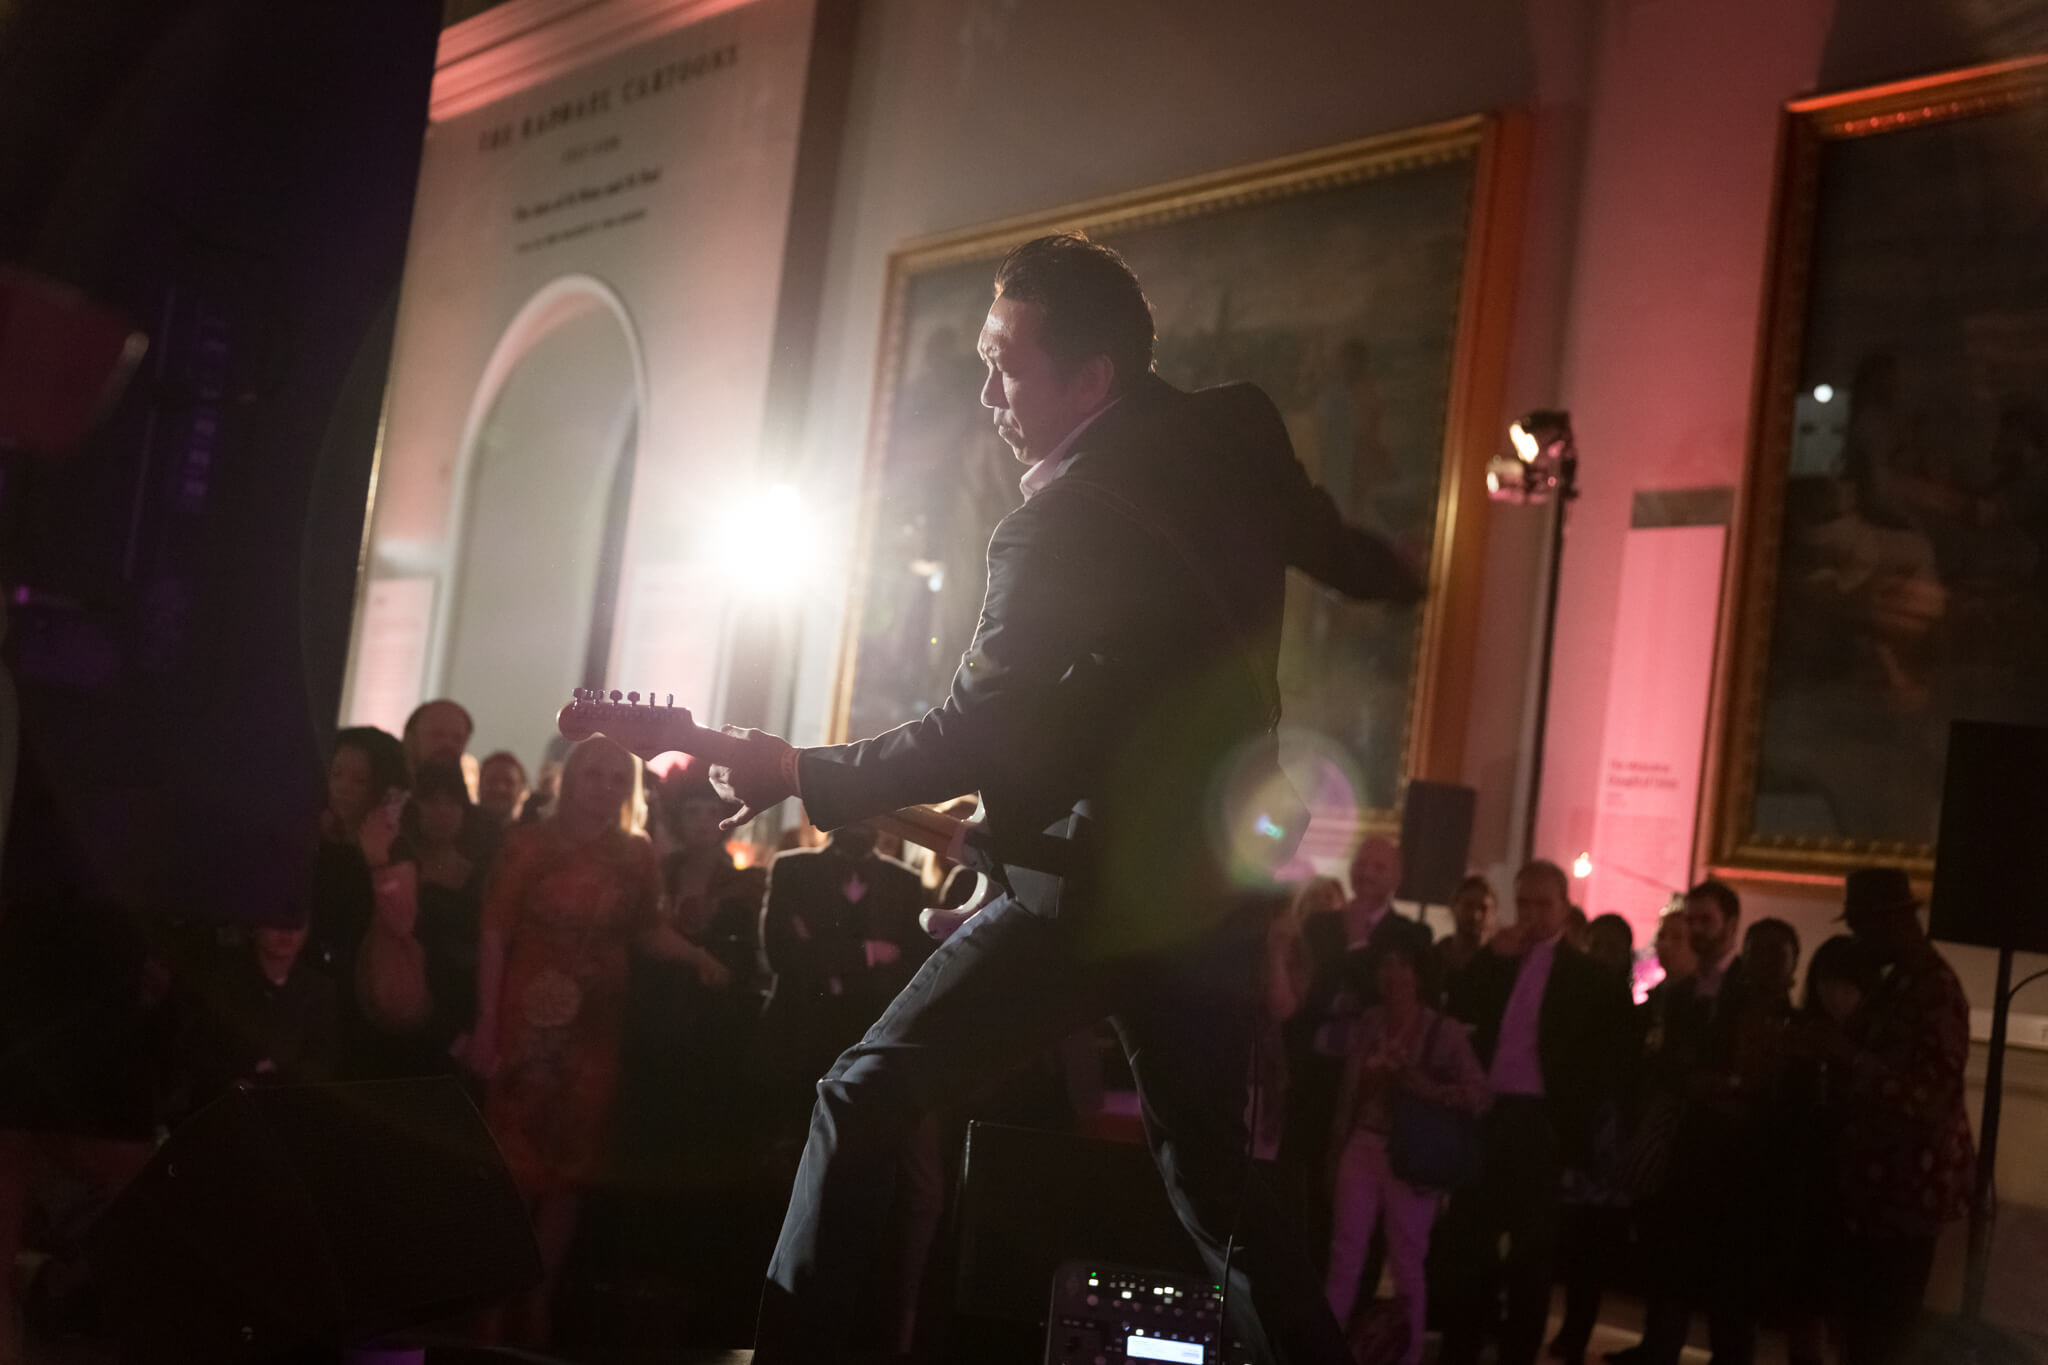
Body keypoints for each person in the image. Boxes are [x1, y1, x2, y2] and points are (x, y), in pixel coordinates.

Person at [704, 232, 1424, 1365]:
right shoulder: (1237, 427)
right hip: (1208, 892)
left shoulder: (1049, 528)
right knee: (1220, 1196)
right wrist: (1400, 574)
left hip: (1085, 898)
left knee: (865, 1094)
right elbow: (1310, 545)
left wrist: (797, 770)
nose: (988, 394)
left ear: (1091, 380)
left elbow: (979, 728)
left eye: (1006, 367)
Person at [461, 736, 730, 1347]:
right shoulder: (528, 843)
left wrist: (697, 957)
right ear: (570, 779)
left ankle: (539, 1300)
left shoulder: (635, 854)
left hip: (596, 1031)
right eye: (594, 775)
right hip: (526, 1022)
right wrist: (485, 1024)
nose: (605, 787)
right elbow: (495, 933)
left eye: (616, 778)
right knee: (511, 1169)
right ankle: (491, 1308)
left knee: (570, 1171)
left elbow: (647, 931)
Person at [1438, 859, 1630, 1365]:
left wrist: (1568, 1127)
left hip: (1541, 1120)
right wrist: (1490, 958)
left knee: (1532, 1252)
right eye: (1524, 903)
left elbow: (1604, 1063)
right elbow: (1458, 1008)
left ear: (1564, 908)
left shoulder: (1589, 976)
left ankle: (1517, 1353)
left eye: (1543, 904)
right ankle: (1461, 1347)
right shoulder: (1499, 961)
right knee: (1469, 1238)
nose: (1532, 914)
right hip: (1488, 1110)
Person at [1824, 868, 1973, 1365]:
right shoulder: (1897, 984)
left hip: (1907, 1190)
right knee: (1862, 1330)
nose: (1858, 939)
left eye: (1862, 926)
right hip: (1875, 1190)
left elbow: (1930, 1095)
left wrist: (1849, 1059)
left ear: (1889, 922)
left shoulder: (1936, 992)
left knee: (1883, 1331)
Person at [1617, 880, 1762, 1365]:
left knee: (1725, 1272)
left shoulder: (1748, 991)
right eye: (1693, 921)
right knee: (1670, 1256)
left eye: (1706, 921)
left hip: (1728, 1150)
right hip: (1682, 1143)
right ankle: (1659, 1348)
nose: (1698, 931)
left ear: (1731, 925)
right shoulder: (1679, 993)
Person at [1324, 936, 1488, 1364]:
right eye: (1386, 964)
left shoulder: (1442, 1030)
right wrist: (1338, 1145)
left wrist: (1426, 1088)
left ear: (1419, 974)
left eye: (1402, 964)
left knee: (1407, 1260)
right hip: (1364, 1142)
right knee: (1345, 1254)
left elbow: (1480, 1093)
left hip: (1413, 1155)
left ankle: (1407, 1355)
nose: (1392, 974)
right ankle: (1325, 1347)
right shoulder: (1370, 1021)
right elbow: (1347, 1093)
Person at [1286, 837, 1437, 1260]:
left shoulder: (1410, 936)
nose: (1368, 872)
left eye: (1379, 866)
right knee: (1305, 1183)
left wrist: (1354, 949)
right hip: (1315, 1074)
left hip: (1372, 1084)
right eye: (1363, 863)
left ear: (1397, 876)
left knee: (1361, 1202)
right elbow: (1305, 998)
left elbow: (1385, 1000)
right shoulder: (1319, 926)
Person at [1436, 874, 1497, 990]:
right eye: (1468, 905)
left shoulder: (1497, 964)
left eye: (1483, 908)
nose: (1475, 915)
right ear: (1454, 907)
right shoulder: (1435, 956)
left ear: (1493, 913)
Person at [478, 750, 531, 827]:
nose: (500, 788)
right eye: (493, 781)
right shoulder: (460, 829)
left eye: (509, 783)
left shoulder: (531, 833)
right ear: (479, 786)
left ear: (520, 790)